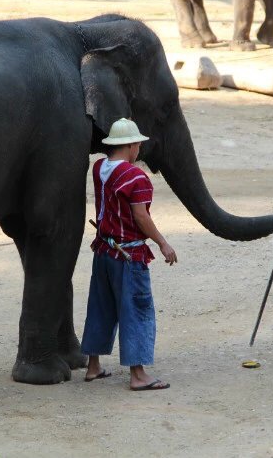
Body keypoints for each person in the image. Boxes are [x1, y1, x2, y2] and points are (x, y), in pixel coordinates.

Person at [81, 118, 177, 391]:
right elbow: (141, 216)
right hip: (128, 254)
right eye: (138, 145)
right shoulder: (136, 177)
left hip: (103, 250)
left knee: (100, 307)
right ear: (131, 146)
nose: (139, 151)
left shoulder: (99, 168)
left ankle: (93, 366)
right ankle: (138, 375)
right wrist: (162, 243)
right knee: (136, 309)